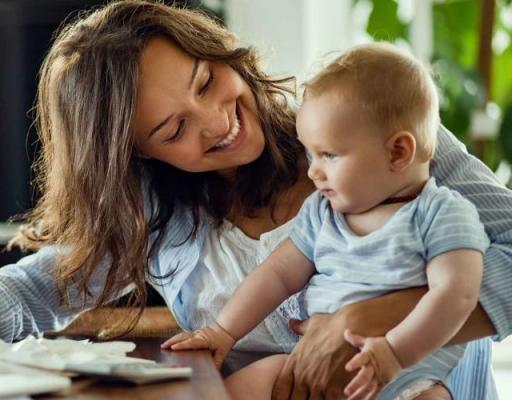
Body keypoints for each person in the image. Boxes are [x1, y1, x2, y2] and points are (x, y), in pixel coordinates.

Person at [0, 1, 512, 398]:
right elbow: (52, 278)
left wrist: (384, 313)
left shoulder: (377, 132)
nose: (217, 121)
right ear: (140, 155)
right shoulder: (163, 210)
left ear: (219, 51)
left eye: (207, 81)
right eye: (172, 129)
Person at [162, 43, 487, 400]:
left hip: (408, 375)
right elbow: (277, 274)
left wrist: (394, 352)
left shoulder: (442, 214)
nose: (314, 171)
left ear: (398, 152)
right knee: (239, 389)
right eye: (310, 153)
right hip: (309, 367)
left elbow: (457, 296)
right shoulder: (323, 213)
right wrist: (223, 331)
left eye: (329, 155)